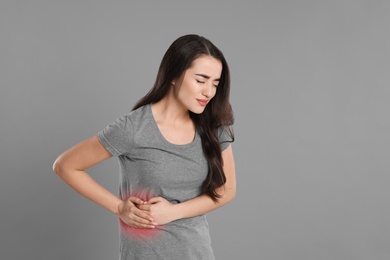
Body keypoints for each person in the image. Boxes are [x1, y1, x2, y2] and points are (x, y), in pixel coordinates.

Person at [53, 34, 236, 260]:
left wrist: (172, 212)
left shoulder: (213, 126)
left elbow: (226, 191)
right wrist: (119, 208)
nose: (209, 92)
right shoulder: (133, 128)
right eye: (201, 80)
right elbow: (65, 166)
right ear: (174, 75)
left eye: (215, 83)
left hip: (197, 253)